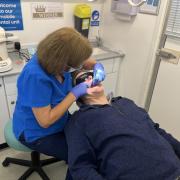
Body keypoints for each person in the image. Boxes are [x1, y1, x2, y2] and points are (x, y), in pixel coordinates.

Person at [12, 27, 105, 179]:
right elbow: (45, 121)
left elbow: (86, 61)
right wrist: (75, 93)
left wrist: (97, 66)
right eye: (75, 65)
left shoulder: (58, 62)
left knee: (89, 143)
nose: (79, 67)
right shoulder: (35, 76)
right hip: (35, 131)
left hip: (59, 120)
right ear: (61, 61)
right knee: (81, 159)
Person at [65, 71, 180, 180]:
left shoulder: (125, 102)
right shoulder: (79, 121)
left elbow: (157, 130)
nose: (90, 78)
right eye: (82, 79)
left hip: (175, 169)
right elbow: (81, 168)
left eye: (91, 74)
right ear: (76, 92)